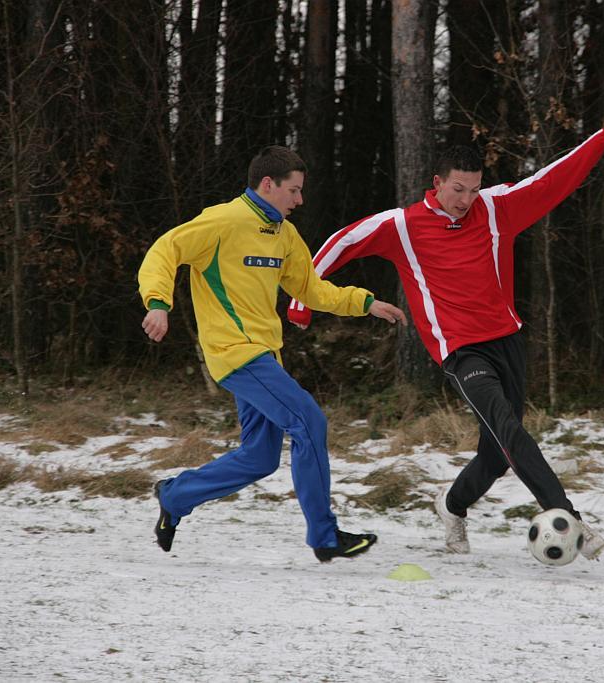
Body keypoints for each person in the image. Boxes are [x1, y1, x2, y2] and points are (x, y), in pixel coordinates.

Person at [288, 121, 604, 560]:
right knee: (510, 429)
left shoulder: (496, 209)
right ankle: (570, 521)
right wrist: (302, 302)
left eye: (474, 190)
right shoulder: (402, 225)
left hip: (507, 341)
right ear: (437, 183)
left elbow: (553, 178)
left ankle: (452, 505)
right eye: (458, 189)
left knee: (496, 455)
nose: (465, 200)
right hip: (460, 351)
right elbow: (342, 243)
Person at [138, 145, 407, 562]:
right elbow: (164, 251)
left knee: (260, 458)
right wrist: (158, 302)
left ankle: (175, 495)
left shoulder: (284, 234)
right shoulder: (223, 221)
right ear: (268, 184)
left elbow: (310, 289)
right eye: (294, 191)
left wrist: (364, 302)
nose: (300, 200)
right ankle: (325, 535)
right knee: (308, 420)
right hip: (234, 353)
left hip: (265, 355)